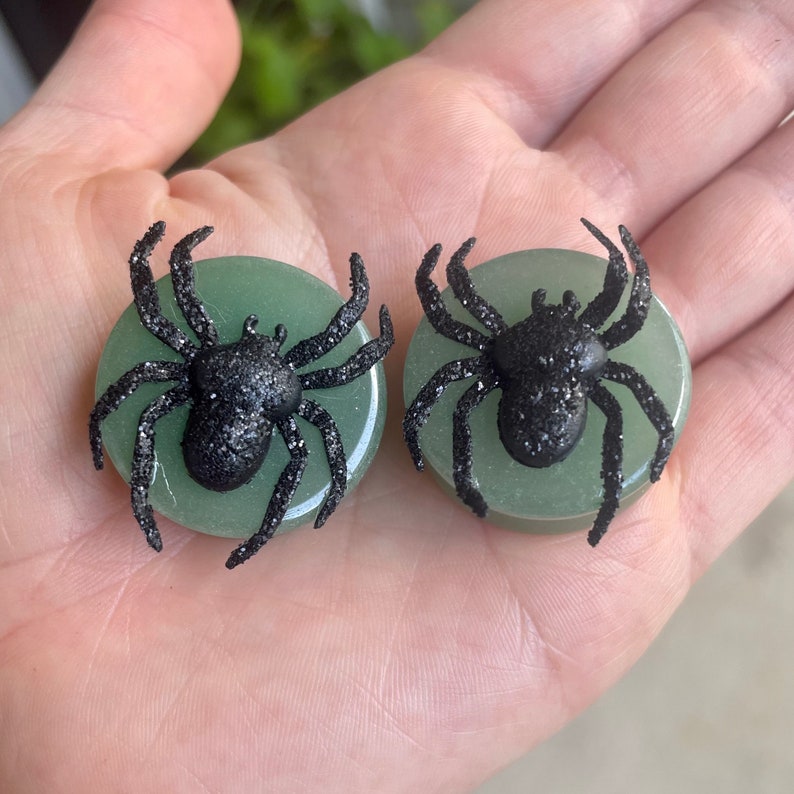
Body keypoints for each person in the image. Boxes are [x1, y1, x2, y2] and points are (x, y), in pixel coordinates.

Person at [0, 0, 791, 790]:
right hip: (302, 452)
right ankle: (204, 510)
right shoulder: (328, 388)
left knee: (159, 415)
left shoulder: (463, 356)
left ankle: (196, 508)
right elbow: (385, 353)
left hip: (262, 449)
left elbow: (422, 331)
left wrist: (391, 387)